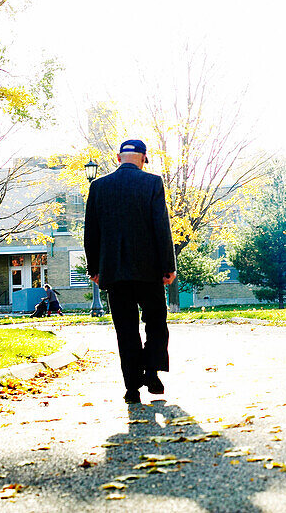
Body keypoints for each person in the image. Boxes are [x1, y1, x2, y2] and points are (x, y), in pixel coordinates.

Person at [84, 138, 177, 405]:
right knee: (156, 324)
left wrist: (94, 268)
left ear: (118, 157)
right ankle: (152, 372)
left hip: (114, 272)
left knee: (125, 330)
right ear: (143, 158)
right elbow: (161, 227)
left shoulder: (99, 186)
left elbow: (91, 231)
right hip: (149, 271)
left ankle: (132, 388)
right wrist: (168, 266)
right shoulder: (151, 183)